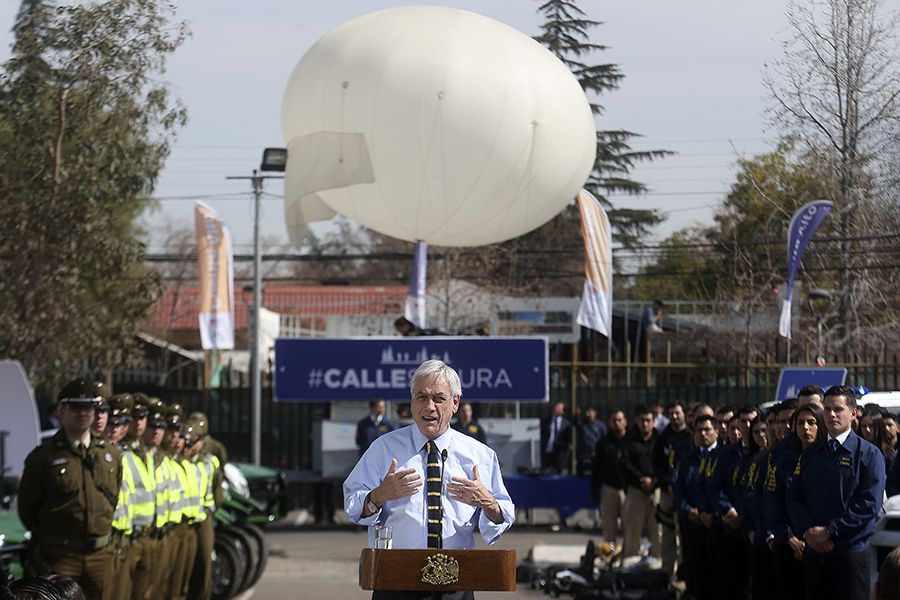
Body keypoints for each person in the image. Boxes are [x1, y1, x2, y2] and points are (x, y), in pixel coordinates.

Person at [343, 359, 514, 600]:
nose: (429, 407)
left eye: (439, 398)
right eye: (421, 397)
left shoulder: (479, 455)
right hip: (396, 581)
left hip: (457, 583)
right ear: (411, 402)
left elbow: (503, 515)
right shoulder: (383, 449)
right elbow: (352, 504)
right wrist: (378, 496)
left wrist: (488, 503)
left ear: (455, 403)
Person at [17, 379, 122, 600]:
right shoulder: (43, 457)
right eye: (76, 407)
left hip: (100, 556)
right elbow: (27, 509)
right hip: (59, 556)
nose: (83, 413)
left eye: (89, 408)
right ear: (62, 411)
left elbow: (114, 499)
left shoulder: (110, 455)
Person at [787, 385, 886, 600]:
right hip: (815, 553)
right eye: (827, 409)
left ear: (853, 413)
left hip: (850, 554)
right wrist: (810, 533)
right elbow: (794, 497)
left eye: (838, 409)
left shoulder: (869, 454)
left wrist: (831, 530)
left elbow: (869, 504)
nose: (831, 414)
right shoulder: (811, 453)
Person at [673, 414, 718, 600]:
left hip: (716, 523)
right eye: (699, 430)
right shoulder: (686, 460)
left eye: (707, 429)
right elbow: (679, 490)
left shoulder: (721, 457)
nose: (703, 434)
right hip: (692, 523)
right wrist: (688, 509)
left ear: (715, 431)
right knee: (694, 569)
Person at [651, 402, 691, 580]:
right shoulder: (663, 437)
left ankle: (683, 572)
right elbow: (657, 463)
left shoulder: (691, 435)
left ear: (683, 414)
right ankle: (667, 571)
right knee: (667, 533)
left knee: (684, 534)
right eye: (671, 414)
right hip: (668, 492)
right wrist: (665, 483)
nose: (675, 417)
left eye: (677, 413)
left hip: (686, 493)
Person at [621, 405, 660, 560]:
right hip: (636, 490)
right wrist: (641, 479)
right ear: (637, 421)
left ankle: (660, 563)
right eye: (642, 420)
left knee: (658, 531)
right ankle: (630, 564)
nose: (645, 424)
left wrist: (654, 481)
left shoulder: (660, 439)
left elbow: (665, 465)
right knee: (633, 530)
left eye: (648, 420)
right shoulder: (628, 440)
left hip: (656, 490)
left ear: (653, 421)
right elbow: (625, 464)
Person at [591, 410, 628, 547]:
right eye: (614, 420)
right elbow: (596, 467)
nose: (617, 423)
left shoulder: (630, 442)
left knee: (629, 526)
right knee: (609, 527)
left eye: (619, 420)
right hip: (608, 488)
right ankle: (610, 555)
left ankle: (626, 556)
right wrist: (595, 489)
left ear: (625, 422)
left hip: (626, 489)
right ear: (610, 423)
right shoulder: (603, 443)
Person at [540, 402, 572, 474]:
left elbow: (569, 439)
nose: (556, 409)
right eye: (556, 407)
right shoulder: (545, 421)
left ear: (563, 411)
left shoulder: (567, 424)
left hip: (560, 454)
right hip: (547, 452)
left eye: (559, 408)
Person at [575, 406, 606, 476]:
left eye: (590, 412)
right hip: (583, 455)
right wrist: (577, 415)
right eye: (586, 412)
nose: (588, 414)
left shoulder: (600, 425)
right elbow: (575, 423)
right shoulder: (582, 424)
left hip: (596, 456)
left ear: (595, 413)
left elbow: (605, 439)